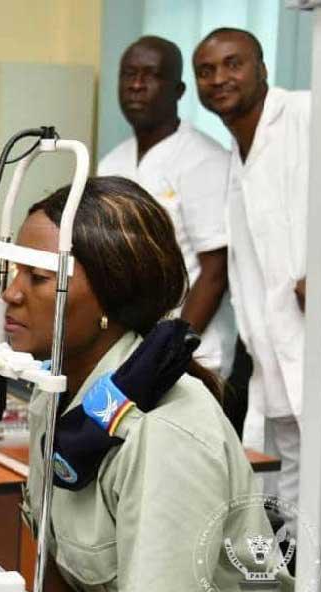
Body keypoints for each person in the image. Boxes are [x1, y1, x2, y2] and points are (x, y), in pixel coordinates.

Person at [7, 177, 292, 592]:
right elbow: (59, 573)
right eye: (15, 271)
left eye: (38, 277)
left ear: (109, 299)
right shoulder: (53, 397)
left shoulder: (166, 434)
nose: (12, 293)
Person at [193, 27, 309, 528]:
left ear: (262, 68)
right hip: (277, 362)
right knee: (300, 510)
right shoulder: (237, 159)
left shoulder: (306, 114)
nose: (220, 78)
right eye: (206, 70)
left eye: (233, 64)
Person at [98, 36, 235, 380]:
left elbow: (215, 271)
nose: (136, 85)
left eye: (150, 75)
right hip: (126, 348)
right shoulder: (112, 163)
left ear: (178, 89)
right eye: (128, 74)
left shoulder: (205, 160)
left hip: (191, 354)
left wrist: (171, 350)